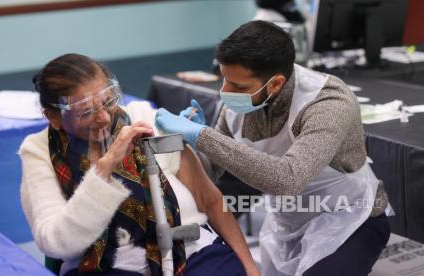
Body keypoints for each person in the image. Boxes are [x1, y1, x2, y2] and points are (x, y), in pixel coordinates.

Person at [155, 21, 391, 276]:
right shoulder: (239, 103)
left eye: (239, 86)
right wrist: (191, 148)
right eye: (224, 79)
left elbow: (287, 179)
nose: (225, 92)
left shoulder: (328, 102)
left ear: (276, 84)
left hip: (350, 218)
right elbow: (212, 172)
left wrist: (204, 137)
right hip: (287, 223)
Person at [19, 53, 259, 276]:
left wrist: (251, 269)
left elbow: (210, 200)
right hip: (106, 264)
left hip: (187, 249)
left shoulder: (145, 120)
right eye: (86, 112)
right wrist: (106, 165)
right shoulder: (40, 152)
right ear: (54, 117)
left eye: (108, 101)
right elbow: (55, 242)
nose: (103, 117)